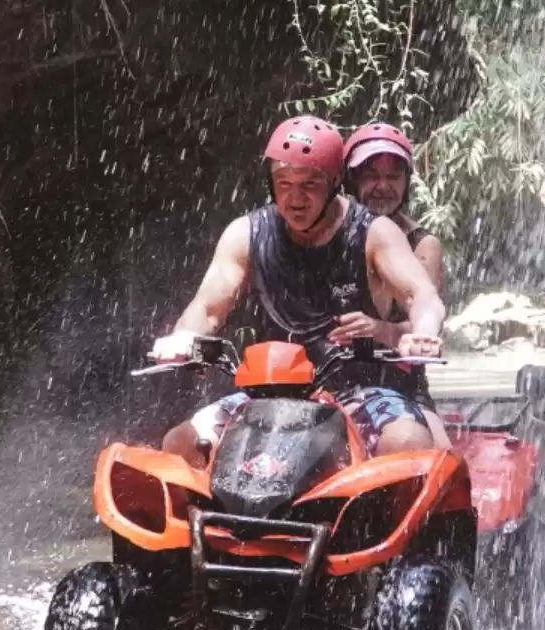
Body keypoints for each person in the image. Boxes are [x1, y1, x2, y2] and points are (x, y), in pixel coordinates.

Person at [152, 117, 446, 466]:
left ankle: (381, 518)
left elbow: (422, 296)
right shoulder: (246, 233)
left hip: (357, 391)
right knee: (179, 442)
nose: (295, 198)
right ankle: (207, 521)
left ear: (335, 182)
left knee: (409, 441)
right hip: (270, 392)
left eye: (310, 184)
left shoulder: (375, 232)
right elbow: (208, 308)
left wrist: (423, 334)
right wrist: (185, 338)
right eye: (284, 183)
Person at [342, 122, 450, 445]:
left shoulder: (422, 245)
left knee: (440, 464)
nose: (382, 186)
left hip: (402, 386)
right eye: (371, 175)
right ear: (351, 180)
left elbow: (423, 326)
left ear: (406, 184)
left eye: (393, 177)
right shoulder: (332, 240)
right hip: (335, 381)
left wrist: (377, 329)